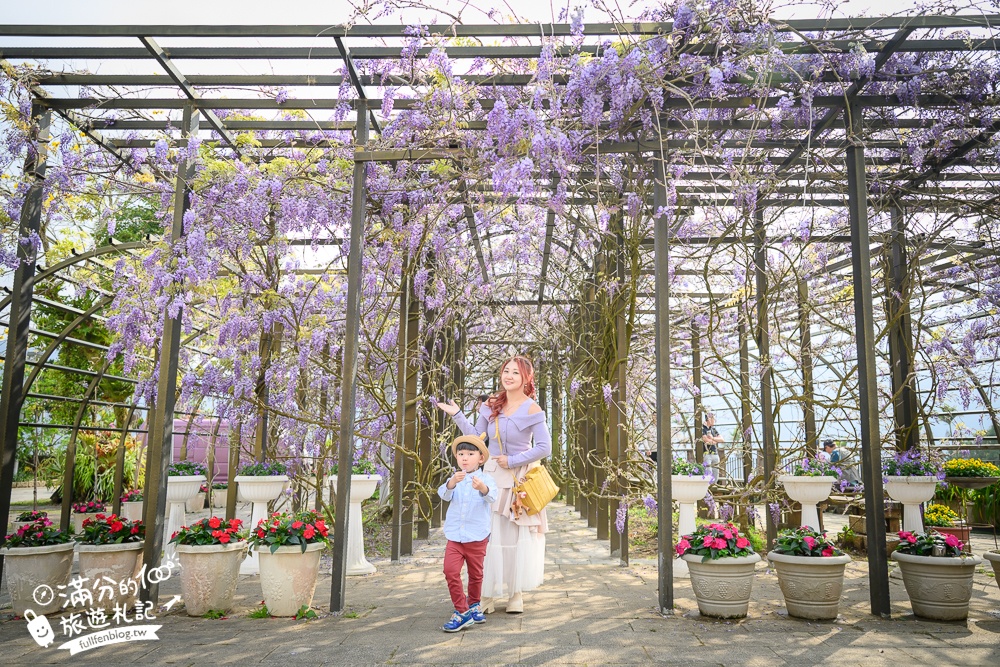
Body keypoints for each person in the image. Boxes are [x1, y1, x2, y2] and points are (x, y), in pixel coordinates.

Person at [436, 355, 551, 614]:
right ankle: (486, 594)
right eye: (505, 371)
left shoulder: (533, 409)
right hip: (490, 477)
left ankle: (515, 593)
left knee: (513, 536)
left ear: (526, 379)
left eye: (515, 373)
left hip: (519, 477)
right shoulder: (491, 405)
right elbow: (477, 438)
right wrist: (457, 416)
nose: (508, 376)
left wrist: (513, 460)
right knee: (487, 535)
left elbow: (545, 447)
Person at [438, 432, 498, 632]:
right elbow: (444, 495)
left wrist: (483, 488)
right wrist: (452, 483)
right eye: (461, 454)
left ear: (480, 458)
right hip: (455, 536)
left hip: (477, 536)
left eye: (470, 454)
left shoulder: (486, 479)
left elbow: (492, 498)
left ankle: (474, 605)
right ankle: (462, 611)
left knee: (476, 574)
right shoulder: (455, 478)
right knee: (450, 571)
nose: (465, 457)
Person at [701, 413, 724, 481]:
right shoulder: (702, 429)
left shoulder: (713, 429)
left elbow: (722, 439)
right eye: (713, 419)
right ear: (709, 419)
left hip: (715, 453)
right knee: (708, 472)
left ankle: (713, 486)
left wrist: (713, 438)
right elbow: (706, 440)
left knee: (716, 473)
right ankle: (708, 488)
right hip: (706, 453)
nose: (714, 420)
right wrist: (714, 441)